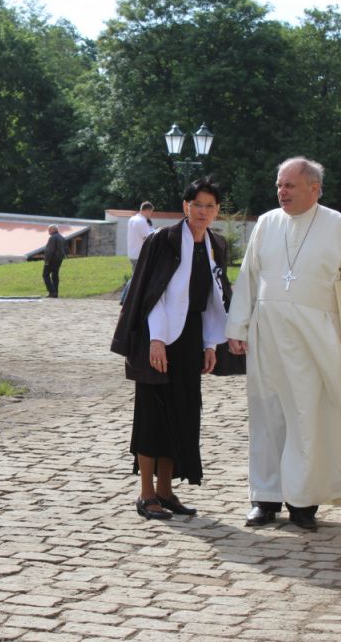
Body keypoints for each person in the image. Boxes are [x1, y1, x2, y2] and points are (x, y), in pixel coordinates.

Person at [225, 157, 341, 531]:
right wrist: (238, 328)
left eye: (289, 185)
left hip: (313, 337)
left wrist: (322, 308)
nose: (282, 191)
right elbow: (249, 278)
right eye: (279, 185)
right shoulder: (266, 223)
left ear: (314, 189)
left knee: (306, 415)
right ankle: (264, 499)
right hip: (267, 335)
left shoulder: (339, 225)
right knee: (267, 414)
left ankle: (302, 501)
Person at [111, 177, 232, 520]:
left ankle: (165, 491)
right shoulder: (163, 240)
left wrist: (211, 344)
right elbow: (154, 294)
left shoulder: (216, 245)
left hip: (192, 337)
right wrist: (157, 340)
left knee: (181, 413)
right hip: (157, 334)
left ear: (217, 211)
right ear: (185, 207)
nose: (203, 212)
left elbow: (213, 298)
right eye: (197, 205)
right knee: (152, 413)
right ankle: (146, 493)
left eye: (210, 206)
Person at [126, 201, 155, 269]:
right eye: (151, 212)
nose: (150, 214)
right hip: (140, 254)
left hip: (132, 253)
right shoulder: (142, 221)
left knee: (136, 273)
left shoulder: (132, 219)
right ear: (147, 210)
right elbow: (148, 238)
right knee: (141, 274)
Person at [42, 224, 66, 298]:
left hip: (52, 259)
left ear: (53, 229)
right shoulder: (62, 237)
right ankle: (56, 292)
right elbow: (65, 249)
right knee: (55, 275)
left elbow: (50, 250)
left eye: (49, 230)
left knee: (45, 275)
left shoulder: (52, 238)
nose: (48, 231)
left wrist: (46, 260)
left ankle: (52, 292)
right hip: (59, 259)